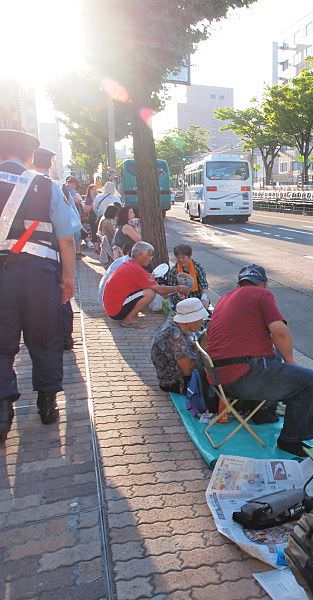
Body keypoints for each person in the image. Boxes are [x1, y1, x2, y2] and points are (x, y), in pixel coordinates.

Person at [0, 129, 82, 445]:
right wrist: (68, 280)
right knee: (45, 339)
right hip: (39, 276)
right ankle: (47, 403)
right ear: (30, 157)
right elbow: (66, 238)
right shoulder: (48, 186)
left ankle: (4, 410)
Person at [205, 264, 313, 457]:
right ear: (264, 284)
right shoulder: (261, 295)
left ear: (239, 283)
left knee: (273, 356)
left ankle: (261, 412)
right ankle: (290, 440)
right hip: (241, 379)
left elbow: (209, 338)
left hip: (218, 380)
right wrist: (291, 361)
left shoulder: (225, 298)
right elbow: (280, 332)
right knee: (309, 381)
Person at [30, 149, 78, 350]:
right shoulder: (54, 187)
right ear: (50, 164)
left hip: (13, 259)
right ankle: (65, 338)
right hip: (50, 255)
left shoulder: (18, 183)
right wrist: (69, 274)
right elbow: (69, 234)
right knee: (62, 298)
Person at [102, 241, 189, 328]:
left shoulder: (129, 264)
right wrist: (179, 288)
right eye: (149, 255)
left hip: (111, 308)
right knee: (150, 293)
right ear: (139, 254)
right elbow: (160, 290)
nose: (151, 258)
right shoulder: (137, 269)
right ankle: (128, 320)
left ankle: (130, 314)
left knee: (148, 290)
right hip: (115, 311)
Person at [150, 297, 208, 393]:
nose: (201, 323)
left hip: (173, 375)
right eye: (200, 319)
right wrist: (202, 347)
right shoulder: (174, 335)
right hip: (175, 383)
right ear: (191, 320)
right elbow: (188, 371)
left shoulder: (174, 324)